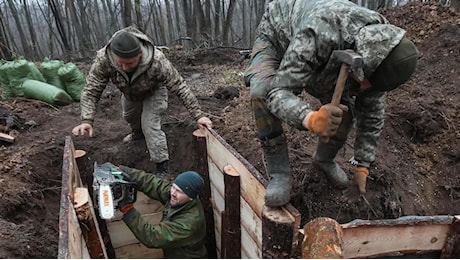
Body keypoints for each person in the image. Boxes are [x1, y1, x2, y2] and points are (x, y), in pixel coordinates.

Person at [244, 0, 419, 207]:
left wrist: (363, 165)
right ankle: (279, 173)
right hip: (277, 37)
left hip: (327, 57)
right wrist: (311, 119)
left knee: (342, 110)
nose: (364, 89)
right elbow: (279, 92)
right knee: (261, 93)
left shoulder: (382, 48)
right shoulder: (319, 31)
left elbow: (372, 113)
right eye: (366, 82)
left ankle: (324, 159)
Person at [72, 26, 212, 177]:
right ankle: (137, 133)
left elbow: (180, 87)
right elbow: (91, 90)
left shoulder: (157, 61)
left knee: (149, 125)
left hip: (154, 91)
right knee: (129, 117)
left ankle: (162, 167)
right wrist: (87, 119)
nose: (125, 68)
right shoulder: (105, 59)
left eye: (130, 63)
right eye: (121, 63)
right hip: (129, 93)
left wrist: (198, 115)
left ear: (140, 54)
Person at [115, 165, 207, 258]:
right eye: (174, 187)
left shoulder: (189, 224)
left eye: (179, 191)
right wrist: (123, 171)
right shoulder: (179, 197)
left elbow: (153, 237)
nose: (173, 193)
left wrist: (129, 211)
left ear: (191, 197)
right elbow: (152, 184)